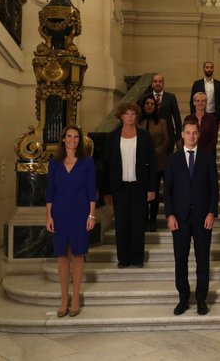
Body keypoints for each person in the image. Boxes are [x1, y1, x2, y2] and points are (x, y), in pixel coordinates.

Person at [164, 117, 219, 316]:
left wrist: (212, 212)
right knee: (181, 260)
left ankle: (201, 299)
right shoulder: (173, 159)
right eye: (188, 132)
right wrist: (169, 215)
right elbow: (167, 190)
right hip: (179, 218)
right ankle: (183, 298)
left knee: (202, 261)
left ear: (199, 135)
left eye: (195, 133)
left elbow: (214, 188)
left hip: (203, 218)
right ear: (182, 135)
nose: (191, 136)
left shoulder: (207, 158)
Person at [46, 125, 96, 318]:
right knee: (62, 256)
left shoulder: (87, 162)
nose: (72, 140)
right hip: (59, 213)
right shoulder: (55, 163)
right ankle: (64, 299)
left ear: (79, 140)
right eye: (69, 136)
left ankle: (75, 298)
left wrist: (91, 215)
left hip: (80, 213)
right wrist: (49, 215)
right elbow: (50, 191)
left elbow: (91, 190)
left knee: (77, 255)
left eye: (76, 137)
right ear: (63, 139)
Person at [101, 101, 157, 269]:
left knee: (138, 224)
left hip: (139, 187)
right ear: (121, 116)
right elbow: (106, 165)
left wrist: (152, 188)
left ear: (137, 116)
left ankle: (137, 258)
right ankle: (123, 258)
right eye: (127, 114)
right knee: (122, 224)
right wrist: (106, 191)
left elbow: (152, 164)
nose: (130, 117)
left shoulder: (144, 136)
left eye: (133, 114)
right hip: (119, 187)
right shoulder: (112, 137)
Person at [138, 94, 169, 232]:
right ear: (143, 106)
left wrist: (156, 151)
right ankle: (144, 219)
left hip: (158, 161)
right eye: (147, 103)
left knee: (154, 191)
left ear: (155, 106)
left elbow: (166, 140)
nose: (149, 106)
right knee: (142, 192)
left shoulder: (161, 122)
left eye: (152, 104)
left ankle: (152, 220)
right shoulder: (137, 122)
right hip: (141, 162)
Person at [189, 61, 220, 128]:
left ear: (213, 69)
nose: (209, 69)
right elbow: (192, 101)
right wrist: (193, 115)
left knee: (213, 133)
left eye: (211, 67)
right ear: (203, 69)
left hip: (215, 115)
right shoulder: (197, 84)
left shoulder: (219, 84)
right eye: (207, 67)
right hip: (200, 114)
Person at [151, 74, 182, 151]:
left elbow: (177, 118)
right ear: (152, 84)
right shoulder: (147, 97)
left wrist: (178, 137)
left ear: (163, 84)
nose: (157, 83)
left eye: (160, 81)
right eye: (155, 81)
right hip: (151, 135)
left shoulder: (171, 97)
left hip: (168, 135)